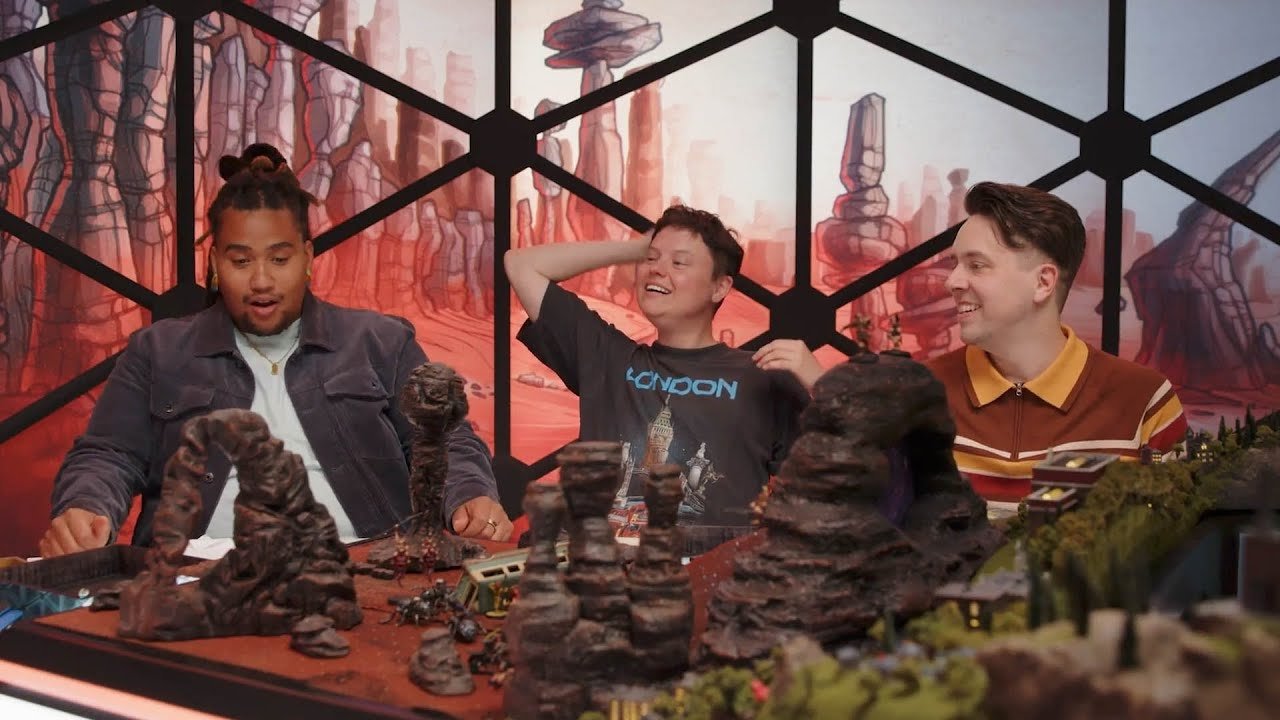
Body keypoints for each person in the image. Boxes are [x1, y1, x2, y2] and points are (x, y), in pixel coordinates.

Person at [39, 143, 510, 558]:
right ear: (215, 262)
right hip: (197, 579)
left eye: (279, 259)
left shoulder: (381, 341)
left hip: (367, 571)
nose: (261, 280)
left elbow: (446, 440)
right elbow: (109, 454)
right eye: (241, 260)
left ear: (308, 257)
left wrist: (469, 494)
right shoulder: (158, 350)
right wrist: (86, 506)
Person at [505, 204, 815, 535]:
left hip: (713, 566)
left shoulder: (761, 375)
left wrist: (820, 382)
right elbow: (522, 265)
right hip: (600, 561)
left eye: (678, 262)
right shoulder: (610, 358)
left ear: (720, 287)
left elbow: (839, 477)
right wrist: (636, 248)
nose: (656, 270)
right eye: (651, 260)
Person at [925, 181, 1188, 502]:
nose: (952, 281)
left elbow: (1175, 524)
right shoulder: (920, 394)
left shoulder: (1146, 403)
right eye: (954, 264)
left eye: (976, 265)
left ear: (1043, 282)